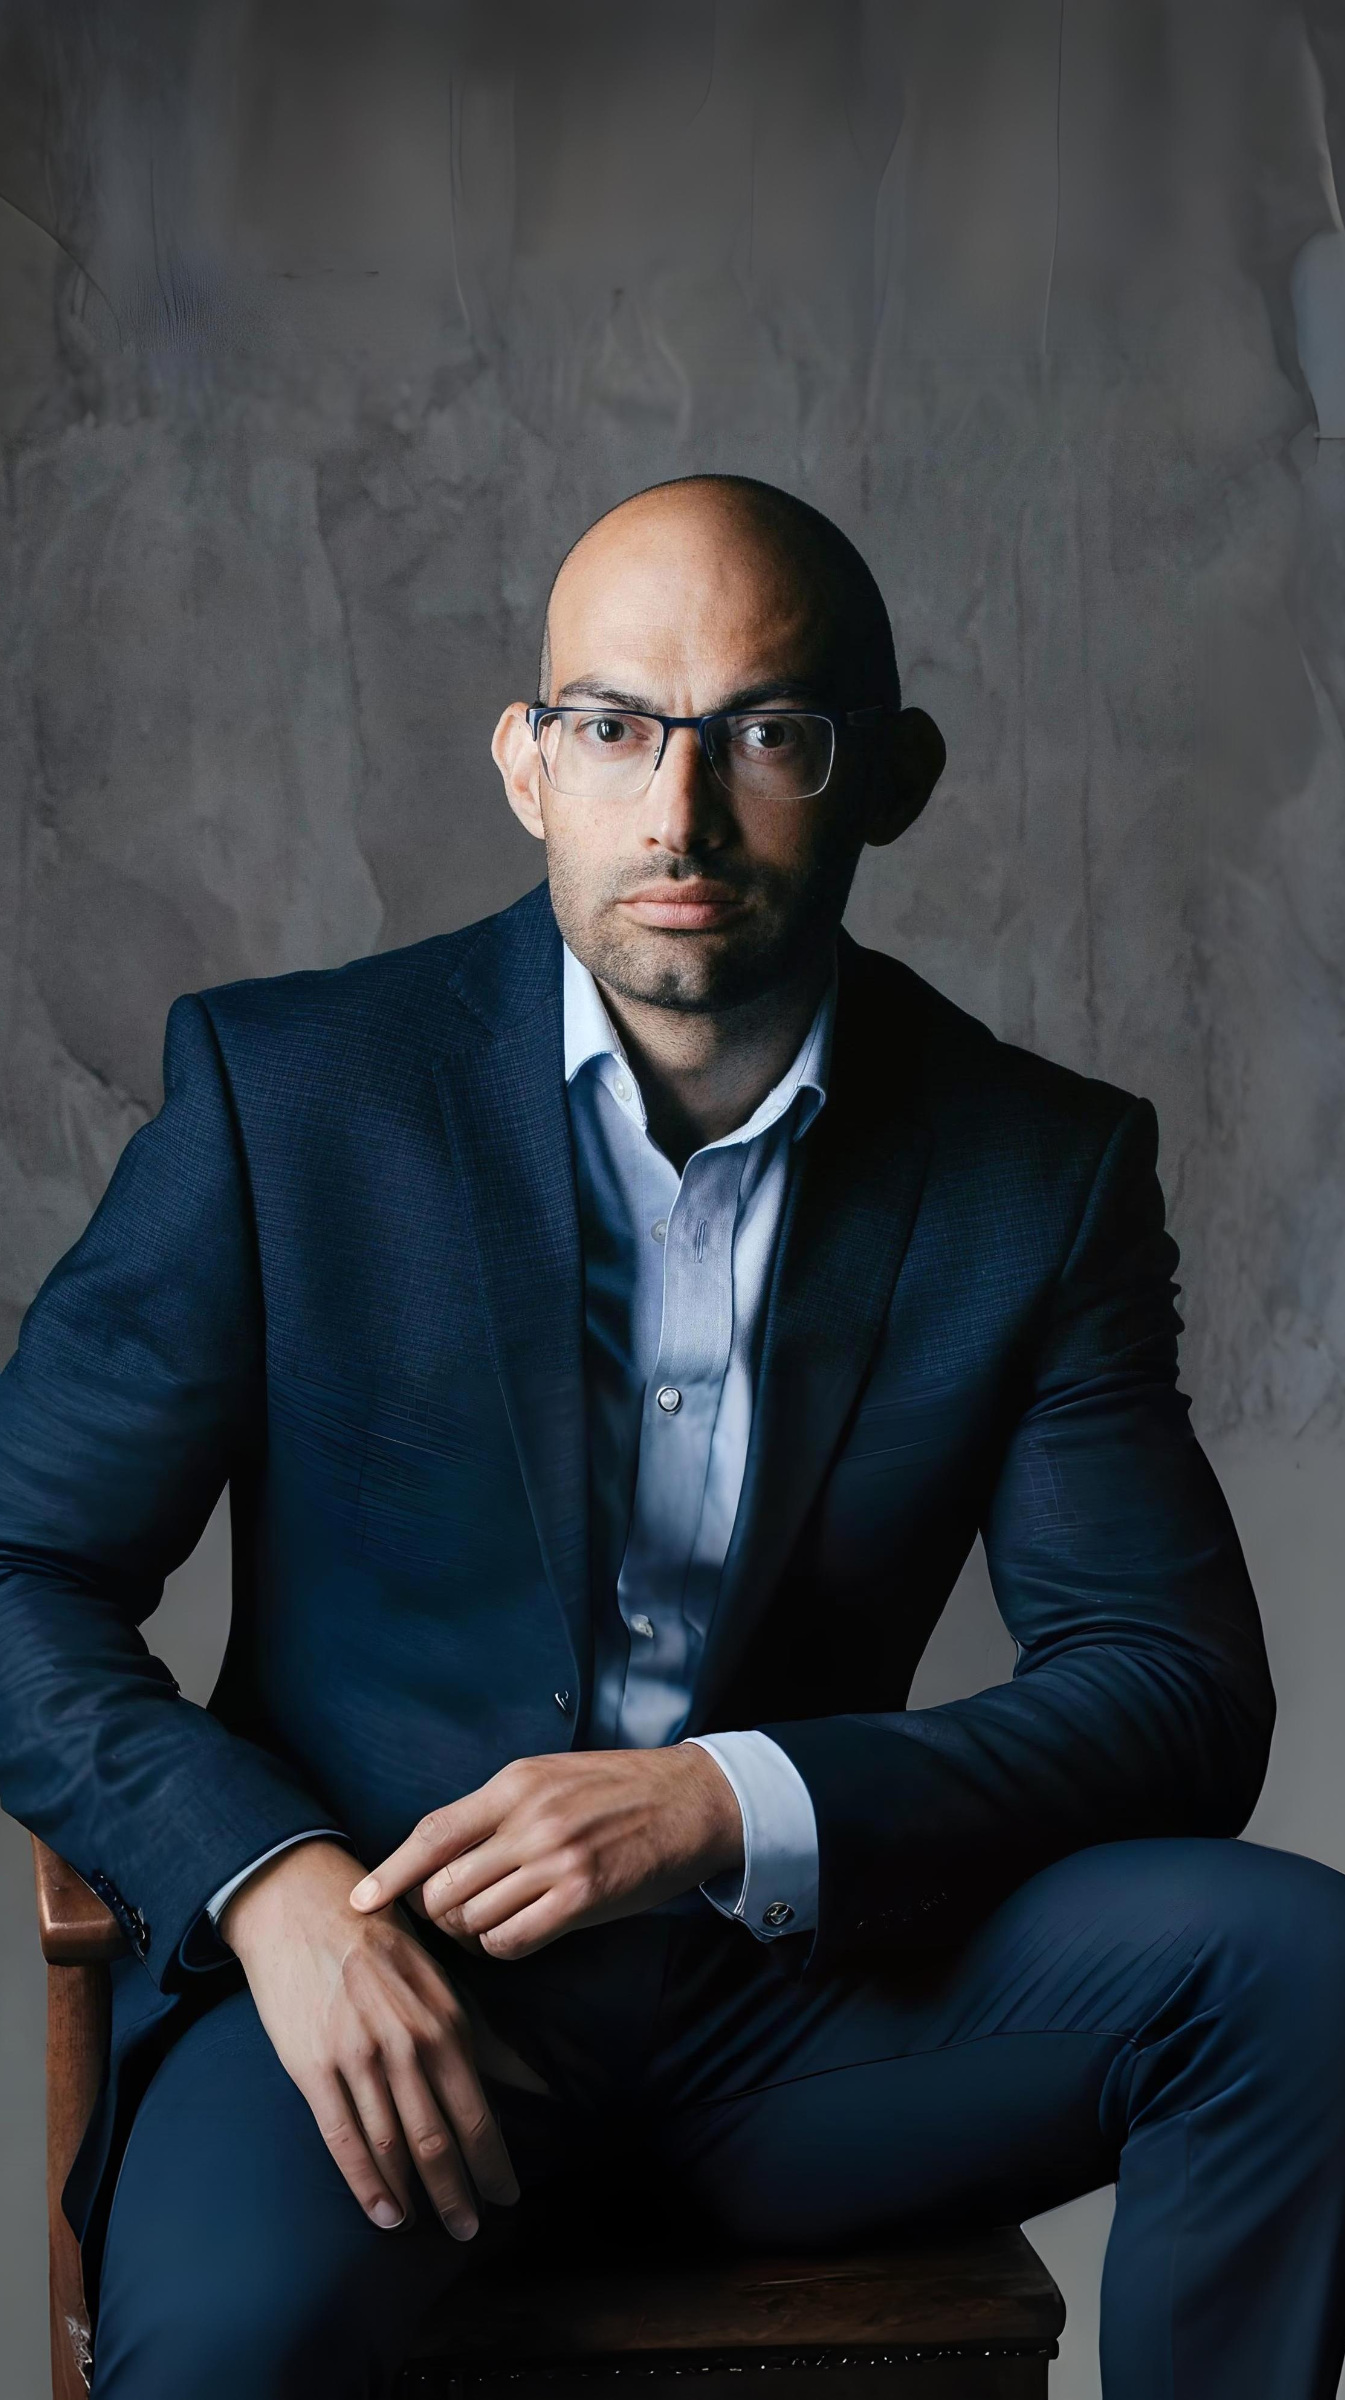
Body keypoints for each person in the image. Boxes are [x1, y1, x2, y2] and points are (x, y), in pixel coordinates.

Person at [1, 474, 1342, 2400]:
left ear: (888, 776)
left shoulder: (1030, 1170)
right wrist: (269, 1887)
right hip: (375, 2008)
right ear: (527, 765)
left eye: (765, 735)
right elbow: (16, 1567)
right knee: (221, 2358)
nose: (679, 810)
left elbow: (1176, 1689)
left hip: (809, 2021)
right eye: (614, 726)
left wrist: (728, 1803)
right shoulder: (289, 1094)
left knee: (1293, 1973)